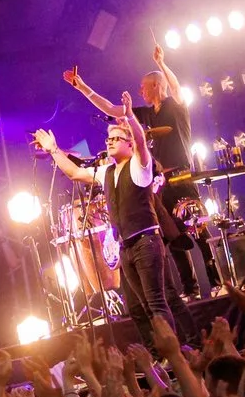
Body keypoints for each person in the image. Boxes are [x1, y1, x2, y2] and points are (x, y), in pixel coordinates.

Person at [65, 50, 202, 296]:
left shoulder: (176, 106)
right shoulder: (146, 114)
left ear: (157, 86)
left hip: (181, 176)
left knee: (196, 229)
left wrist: (161, 63)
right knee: (171, 234)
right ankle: (190, 288)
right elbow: (111, 108)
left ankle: (216, 281)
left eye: (144, 87)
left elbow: (176, 88)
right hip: (161, 180)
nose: (140, 91)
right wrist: (83, 88)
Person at [33, 116, 186, 335]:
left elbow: (142, 142)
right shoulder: (107, 172)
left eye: (117, 138)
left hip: (146, 242)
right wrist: (53, 149)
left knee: (156, 303)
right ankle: (157, 356)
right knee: (139, 308)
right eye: (108, 139)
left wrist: (130, 116)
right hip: (126, 247)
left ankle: (175, 353)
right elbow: (75, 173)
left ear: (129, 143)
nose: (110, 142)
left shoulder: (139, 166)